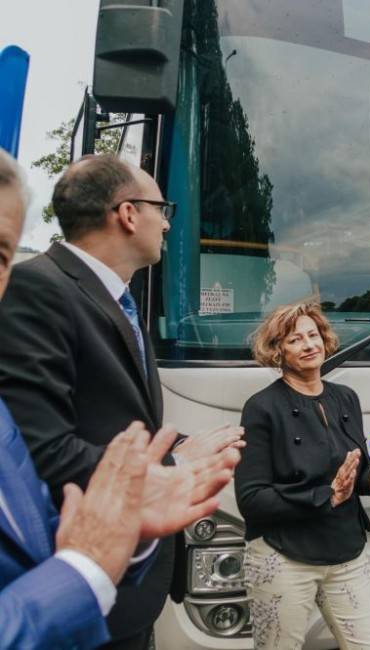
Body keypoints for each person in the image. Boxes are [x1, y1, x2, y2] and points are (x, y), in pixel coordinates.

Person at [0, 154, 244, 649]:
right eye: (162, 207)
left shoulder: (118, 300)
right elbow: (39, 449)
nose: (168, 221)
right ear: (128, 214)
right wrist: (172, 464)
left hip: (124, 583)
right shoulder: (38, 288)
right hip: (63, 597)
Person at [235, 302, 370, 650]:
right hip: (283, 556)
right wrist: (326, 496)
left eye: (313, 335)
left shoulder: (346, 398)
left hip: (346, 552)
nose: (309, 345)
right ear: (278, 351)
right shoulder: (261, 408)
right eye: (295, 340)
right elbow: (251, 500)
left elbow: (348, 475)